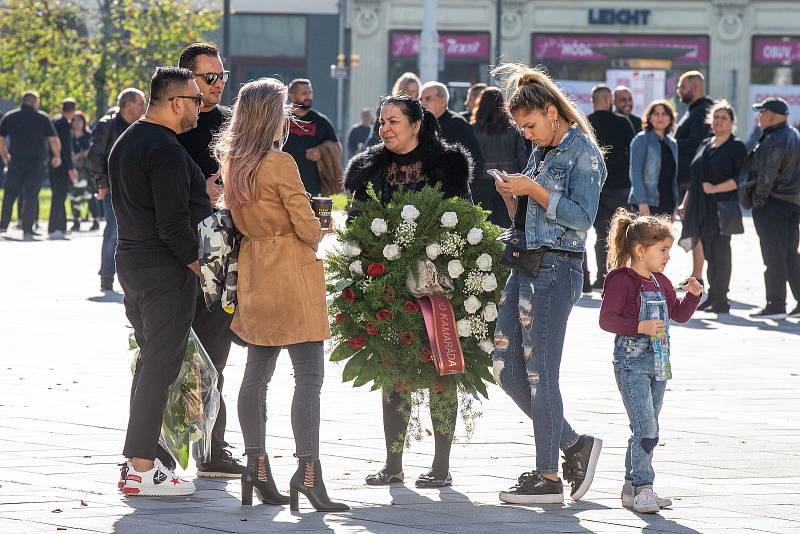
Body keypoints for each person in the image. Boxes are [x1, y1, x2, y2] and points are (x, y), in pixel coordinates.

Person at [214, 77, 348, 512]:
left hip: (255, 271)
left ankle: (256, 465)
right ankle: (308, 473)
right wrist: (319, 225)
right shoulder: (280, 162)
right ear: (272, 115)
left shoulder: (233, 160)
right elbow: (307, 229)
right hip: (291, 270)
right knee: (308, 376)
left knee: (257, 373)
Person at [489, 63, 604, 505]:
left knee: (541, 373)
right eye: (521, 128)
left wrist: (533, 192)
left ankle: (549, 476)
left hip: (558, 270)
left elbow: (581, 217)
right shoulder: (543, 152)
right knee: (505, 366)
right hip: (526, 264)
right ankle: (574, 445)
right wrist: (513, 198)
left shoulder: (584, 153)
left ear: (553, 113)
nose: (527, 134)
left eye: (531, 125)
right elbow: (532, 219)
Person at [344, 94, 472, 488]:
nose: (385, 129)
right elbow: (355, 221)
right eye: (382, 121)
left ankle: (441, 465)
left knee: (441, 370)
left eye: (393, 121)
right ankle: (393, 463)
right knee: (393, 372)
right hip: (387, 284)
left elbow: (464, 217)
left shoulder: (447, 164)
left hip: (438, 283)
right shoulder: (368, 169)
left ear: (416, 125)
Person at [114, 67, 211, 497]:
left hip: (132, 263)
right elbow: (174, 227)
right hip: (164, 270)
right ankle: (142, 468)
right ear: (175, 103)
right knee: (160, 366)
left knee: (151, 363)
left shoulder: (127, 140)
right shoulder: (167, 151)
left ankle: (137, 462)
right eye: (195, 99)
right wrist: (206, 272)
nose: (201, 106)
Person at [600, 209, 701, 513]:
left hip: (659, 364)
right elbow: (607, 320)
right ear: (641, 251)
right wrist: (639, 326)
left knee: (646, 426)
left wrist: (693, 297)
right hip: (631, 365)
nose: (668, 257)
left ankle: (631, 489)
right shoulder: (621, 281)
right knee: (647, 429)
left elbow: (678, 314)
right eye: (663, 250)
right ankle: (645, 487)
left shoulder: (662, 282)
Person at [176, 42, 243, 478]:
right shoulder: (170, 125)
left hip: (222, 260)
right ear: (187, 79)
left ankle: (214, 448)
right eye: (209, 78)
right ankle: (165, 447)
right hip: (177, 257)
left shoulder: (227, 123)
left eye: (222, 77)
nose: (219, 86)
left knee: (216, 356)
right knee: (170, 357)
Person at [678, 100, 747, 314]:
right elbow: (695, 176)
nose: (719, 121)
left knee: (721, 253)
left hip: (722, 208)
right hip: (700, 206)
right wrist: (685, 201)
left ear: (732, 123)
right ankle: (713, 296)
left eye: (724, 118)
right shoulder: (706, 144)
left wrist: (716, 188)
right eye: (716, 117)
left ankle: (721, 298)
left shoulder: (736, 147)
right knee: (707, 251)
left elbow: (741, 178)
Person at [743, 97, 800, 319]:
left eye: (762, 112)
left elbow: (767, 175)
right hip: (792, 204)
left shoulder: (775, 138)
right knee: (789, 254)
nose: (759, 116)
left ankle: (775, 304)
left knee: (773, 256)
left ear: (773, 116)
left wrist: (757, 201)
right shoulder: (793, 134)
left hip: (772, 204)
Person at [89, 87, 145, 291]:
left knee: (138, 234)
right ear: (128, 105)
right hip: (114, 188)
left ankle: (135, 279)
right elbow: (95, 155)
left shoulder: (142, 126)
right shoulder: (107, 125)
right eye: (140, 103)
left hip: (138, 189)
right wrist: (102, 183)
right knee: (113, 232)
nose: (144, 107)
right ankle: (106, 277)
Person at [586, 85, 636, 290]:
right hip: (621, 185)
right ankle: (615, 275)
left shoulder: (586, 122)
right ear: (608, 100)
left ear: (593, 100)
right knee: (619, 233)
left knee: (599, 233)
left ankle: (599, 277)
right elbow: (633, 151)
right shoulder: (623, 122)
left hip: (594, 185)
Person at [0, 91, 61, 240]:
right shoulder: (42, 117)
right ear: (34, 102)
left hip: (15, 161)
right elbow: (53, 139)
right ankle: (27, 229)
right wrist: (57, 156)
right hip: (36, 163)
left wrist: (5, 155)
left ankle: (3, 226)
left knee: (9, 194)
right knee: (31, 196)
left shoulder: (10, 116)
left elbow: (0, 137)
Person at [470, 86, 528, 227]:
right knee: (506, 224)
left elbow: (471, 158)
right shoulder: (513, 129)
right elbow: (522, 157)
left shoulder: (473, 129)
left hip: (482, 181)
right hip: (508, 180)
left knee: (483, 227)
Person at [675, 71, 713, 285]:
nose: (679, 91)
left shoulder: (702, 112)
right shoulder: (695, 110)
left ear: (695, 87)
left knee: (693, 226)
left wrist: (671, 143)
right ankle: (696, 273)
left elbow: (696, 144)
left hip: (692, 181)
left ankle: (697, 276)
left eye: (682, 86)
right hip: (688, 179)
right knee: (692, 226)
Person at [283, 78, 339, 197]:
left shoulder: (321, 122)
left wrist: (322, 151)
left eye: (310, 92)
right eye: (304, 93)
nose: (308, 96)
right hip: (283, 181)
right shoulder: (281, 119)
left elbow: (336, 147)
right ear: (291, 95)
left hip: (312, 186)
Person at [420, 81, 485, 180]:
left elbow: (475, 161)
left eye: (428, 98)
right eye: (420, 99)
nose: (422, 103)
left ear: (442, 101)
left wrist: (463, 190)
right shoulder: (418, 125)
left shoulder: (458, 124)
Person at [629, 100, 679, 219]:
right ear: (649, 117)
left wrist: (674, 207)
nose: (660, 117)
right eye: (656, 114)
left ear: (670, 118)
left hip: (668, 203)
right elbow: (635, 174)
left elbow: (673, 177)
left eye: (664, 114)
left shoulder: (673, 144)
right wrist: (642, 202)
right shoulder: (641, 140)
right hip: (648, 204)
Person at [48, 98, 78, 239]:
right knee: (60, 197)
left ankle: (59, 226)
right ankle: (57, 228)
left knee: (57, 196)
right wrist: (71, 169)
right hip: (62, 166)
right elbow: (66, 148)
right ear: (73, 110)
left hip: (52, 163)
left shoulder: (55, 121)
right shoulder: (64, 124)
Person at [366, 72, 422, 147]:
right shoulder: (387, 104)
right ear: (402, 90)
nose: (412, 95)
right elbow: (376, 131)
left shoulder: (419, 108)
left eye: (414, 91)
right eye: (408, 91)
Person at [67, 111, 100, 232]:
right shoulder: (68, 136)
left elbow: (92, 150)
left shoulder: (88, 135)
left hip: (87, 170)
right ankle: (76, 220)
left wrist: (79, 155)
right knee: (74, 195)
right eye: (74, 120)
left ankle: (95, 220)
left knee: (90, 195)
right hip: (73, 170)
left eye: (79, 120)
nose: (77, 123)